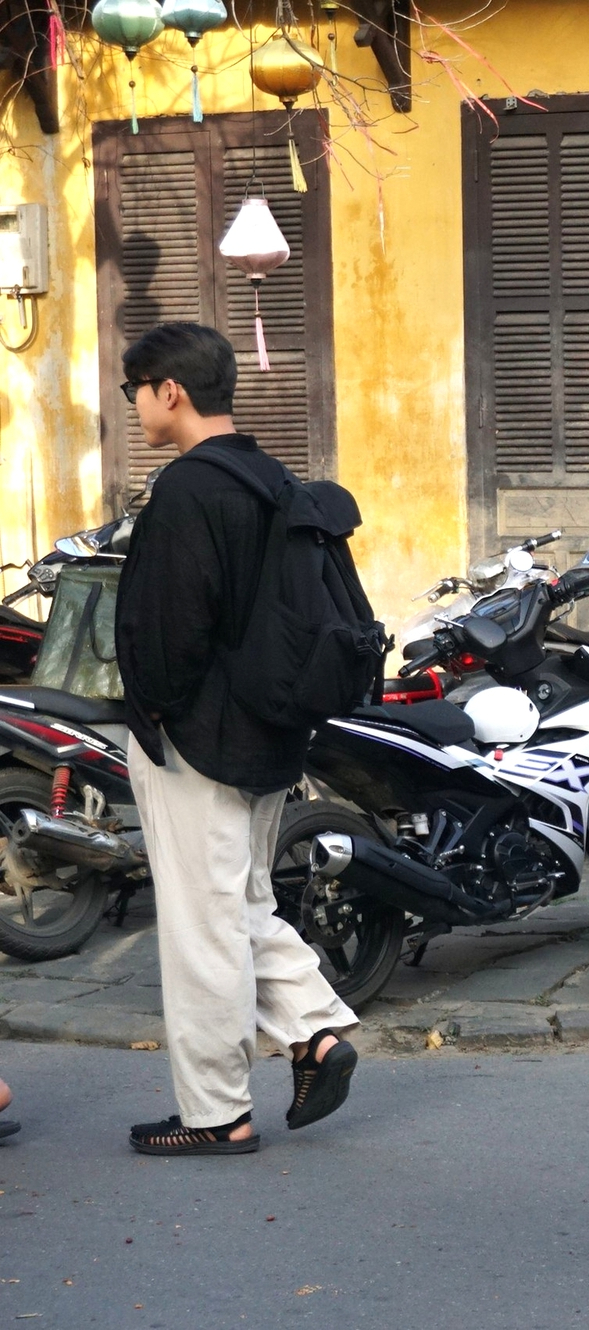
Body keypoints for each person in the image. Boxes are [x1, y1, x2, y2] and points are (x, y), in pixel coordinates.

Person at [112, 323, 359, 1156]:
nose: (136, 407)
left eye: (135, 392)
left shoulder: (188, 489)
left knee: (201, 924)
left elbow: (171, 627)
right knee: (242, 902)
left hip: (199, 739)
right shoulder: (270, 476)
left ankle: (217, 1113)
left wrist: (154, 712)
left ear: (169, 391)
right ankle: (315, 1031)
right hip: (269, 731)